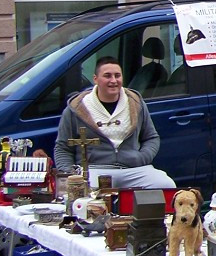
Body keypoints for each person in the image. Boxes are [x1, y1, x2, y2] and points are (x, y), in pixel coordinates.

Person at [53, 55, 176, 189]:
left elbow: (151, 137)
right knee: (83, 194)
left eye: (117, 76)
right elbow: (62, 148)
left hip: (132, 170)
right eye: (107, 76)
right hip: (93, 171)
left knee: (166, 184)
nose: (113, 80)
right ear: (95, 79)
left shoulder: (135, 103)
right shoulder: (76, 108)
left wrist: (142, 158)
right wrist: (70, 175)